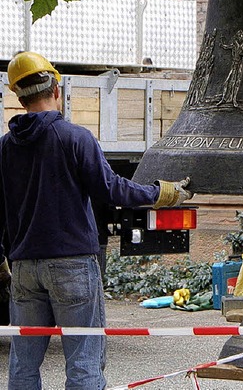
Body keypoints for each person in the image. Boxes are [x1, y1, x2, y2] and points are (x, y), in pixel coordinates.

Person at [0, 51, 192, 390]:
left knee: (23, 365)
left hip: (25, 268)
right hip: (73, 266)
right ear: (56, 90)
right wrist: (164, 194)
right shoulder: (75, 138)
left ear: (17, 96)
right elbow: (113, 190)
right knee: (84, 364)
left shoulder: (4, 147)